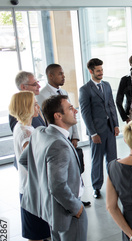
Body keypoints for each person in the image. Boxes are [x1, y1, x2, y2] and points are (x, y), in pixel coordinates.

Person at [20, 95, 109, 241]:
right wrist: (76, 207)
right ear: (59, 116)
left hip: (50, 211)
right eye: (70, 108)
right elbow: (57, 185)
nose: (75, 110)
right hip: (67, 211)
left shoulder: (41, 133)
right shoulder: (59, 143)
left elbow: (24, 159)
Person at [9, 91, 51, 241]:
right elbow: (31, 160)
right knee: (35, 232)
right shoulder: (26, 132)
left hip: (29, 188)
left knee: (39, 230)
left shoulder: (23, 127)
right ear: (26, 107)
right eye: (34, 104)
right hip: (31, 189)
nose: (38, 107)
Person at [37, 64, 91, 208]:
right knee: (62, 175)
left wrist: (75, 136)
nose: (63, 76)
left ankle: (76, 197)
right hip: (56, 136)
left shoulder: (64, 92)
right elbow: (47, 120)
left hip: (67, 135)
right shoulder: (41, 95)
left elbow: (71, 115)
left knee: (75, 170)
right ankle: (71, 202)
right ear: (51, 76)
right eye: (60, 74)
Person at [79, 58, 120, 199]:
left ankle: (114, 184)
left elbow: (111, 106)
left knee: (113, 159)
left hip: (109, 129)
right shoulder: (85, 90)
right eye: (98, 71)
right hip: (97, 132)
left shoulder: (107, 85)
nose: (101, 72)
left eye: (102, 70)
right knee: (97, 160)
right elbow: (85, 113)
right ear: (91, 71)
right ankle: (96, 187)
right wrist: (93, 133)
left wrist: (116, 124)